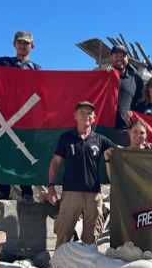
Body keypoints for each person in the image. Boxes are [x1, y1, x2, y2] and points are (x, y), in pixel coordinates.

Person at [47, 101, 114, 249]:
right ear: (75, 116)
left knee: (91, 240)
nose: (86, 116)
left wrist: (146, 147)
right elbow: (55, 163)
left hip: (93, 195)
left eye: (89, 113)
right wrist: (51, 187)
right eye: (82, 113)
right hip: (71, 193)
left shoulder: (101, 140)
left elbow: (121, 154)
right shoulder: (66, 138)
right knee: (64, 234)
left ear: (94, 117)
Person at [0, 30, 41, 202]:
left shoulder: (37, 69)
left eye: (26, 43)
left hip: (27, 118)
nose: (23, 45)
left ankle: (27, 191)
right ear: (14, 44)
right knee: (3, 153)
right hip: (4, 115)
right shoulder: (3, 62)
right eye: (20, 42)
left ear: (32, 46)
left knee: (25, 154)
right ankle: (2, 189)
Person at [108, 45, 145, 147]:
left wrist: (133, 114)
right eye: (117, 55)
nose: (120, 58)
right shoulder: (104, 76)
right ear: (111, 58)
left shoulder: (136, 79)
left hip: (124, 131)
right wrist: (103, 73)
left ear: (127, 59)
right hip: (104, 129)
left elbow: (142, 103)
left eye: (123, 56)